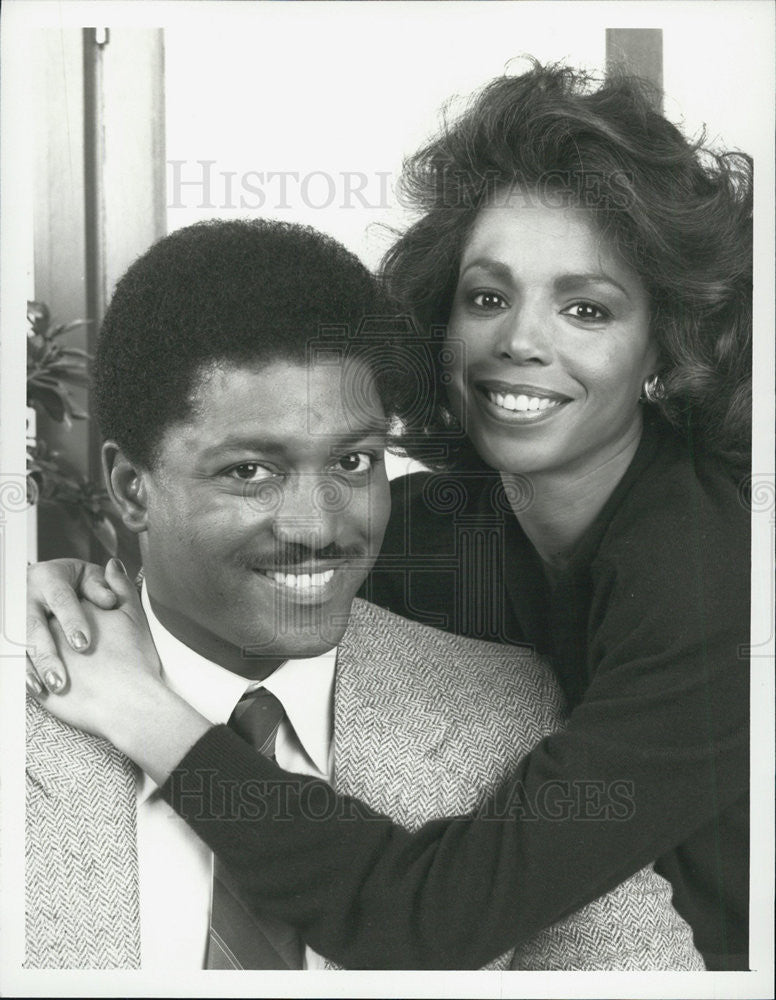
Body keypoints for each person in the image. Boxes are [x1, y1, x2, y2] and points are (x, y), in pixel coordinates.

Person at [27, 63, 751, 970]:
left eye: (585, 308)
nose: (521, 340)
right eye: (487, 297)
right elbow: (244, 540)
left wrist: (150, 717)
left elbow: (435, 919)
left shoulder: (717, 582)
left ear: (663, 339)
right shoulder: (424, 527)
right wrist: (67, 588)